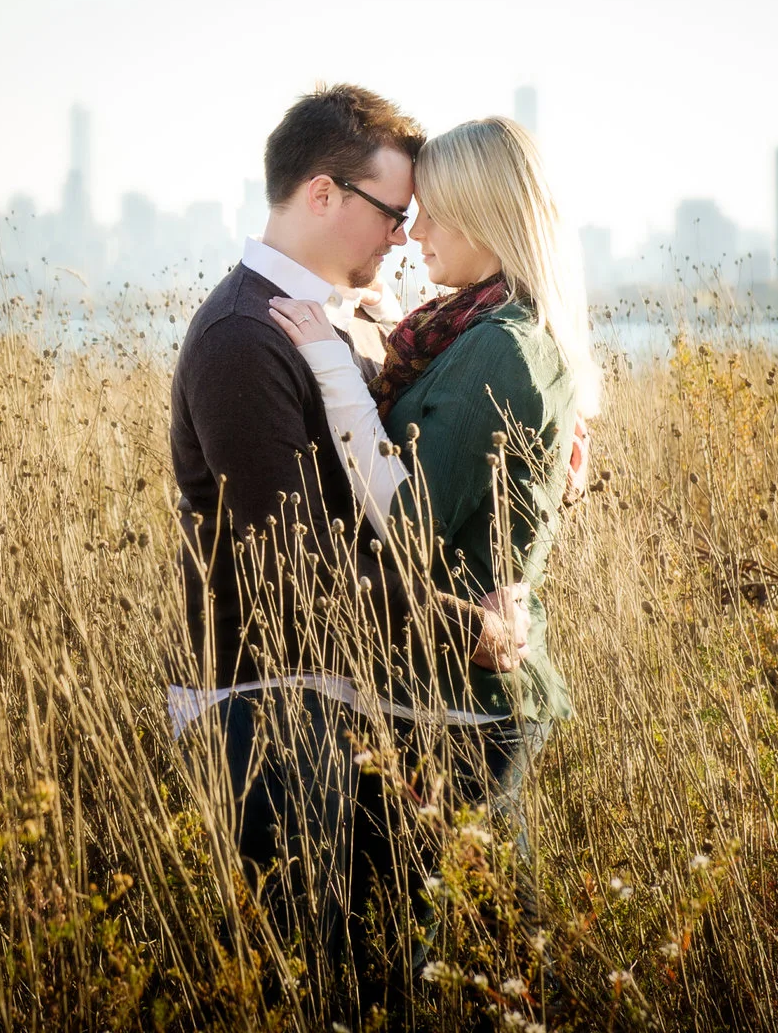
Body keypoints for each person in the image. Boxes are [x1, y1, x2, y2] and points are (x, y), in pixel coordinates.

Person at [168, 86, 530, 999]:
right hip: (268, 706)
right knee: (309, 986)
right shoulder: (243, 337)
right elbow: (295, 570)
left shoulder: (349, 318)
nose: (405, 237)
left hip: (351, 698)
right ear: (323, 194)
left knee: (385, 980)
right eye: (393, 213)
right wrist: (466, 628)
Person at [267, 114, 598, 827]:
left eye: (434, 215)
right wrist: (389, 327)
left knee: (448, 899)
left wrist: (331, 365)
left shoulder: (502, 347)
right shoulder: (481, 328)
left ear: (485, 218)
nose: (414, 234)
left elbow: (410, 526)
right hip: (452, 694)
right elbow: (450, 430)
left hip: (461, 704)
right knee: (474, 898)